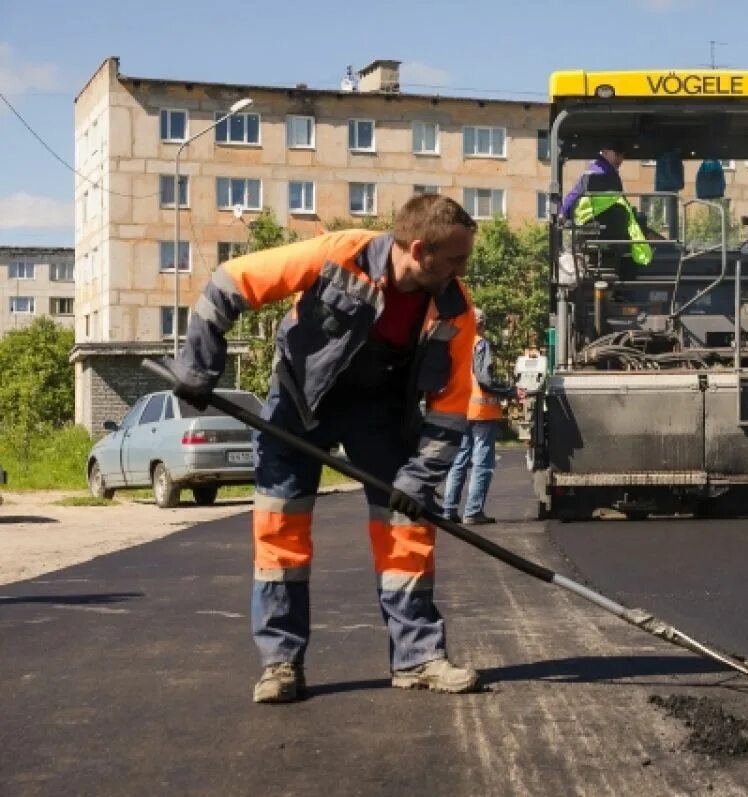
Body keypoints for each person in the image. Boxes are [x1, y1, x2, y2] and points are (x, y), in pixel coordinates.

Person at [170, 195, 482, 703]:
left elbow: (450, 406)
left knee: (407, 523)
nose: (462, 269)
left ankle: (418, 657)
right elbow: (229, 282)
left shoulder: (453, 307)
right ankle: (280, 664)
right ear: (419, 249)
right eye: (454, 258)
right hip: (299, 400)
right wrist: (199, 365)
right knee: (281, 528)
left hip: (378, 408)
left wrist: (419, 476)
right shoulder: (339, 255)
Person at [443, 307, 516, 524]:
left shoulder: (454, 343)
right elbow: (485, 379)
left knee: (459, 460)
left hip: (460, 408)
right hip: (481, 412)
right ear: (481, 324)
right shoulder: (480, 344)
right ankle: (473, 511)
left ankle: (448, 510)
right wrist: (511, 391)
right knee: (482, 462)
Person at [561, 145, 652, 266]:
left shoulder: (591, 173)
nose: (621, 159)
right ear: (604, 152)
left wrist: (563, 214)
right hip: (609, 230)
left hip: (593, 230)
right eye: (617, 154)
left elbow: (573, 197)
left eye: (622, 155)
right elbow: (621, 202)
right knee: (639, 221)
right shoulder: (602, 175)